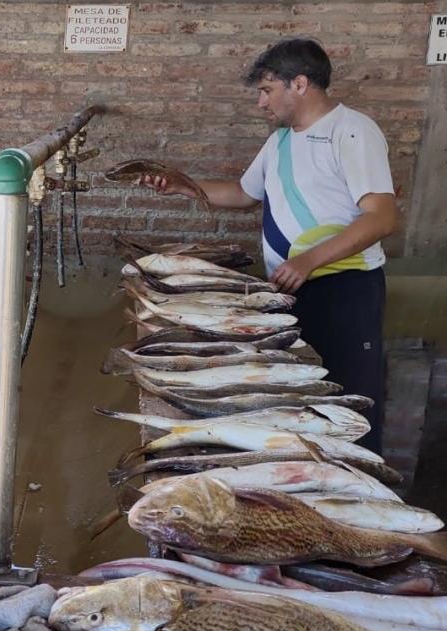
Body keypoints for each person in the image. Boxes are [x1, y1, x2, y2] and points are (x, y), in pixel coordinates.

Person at [141, 38, 398, 455]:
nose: (261, 103)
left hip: (346, 289)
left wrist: (310, 259)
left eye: (267, 90)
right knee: (301, 398)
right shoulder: (280, 141)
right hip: (291, 289)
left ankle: (363, 493)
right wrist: (181, 186)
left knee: (350, 401)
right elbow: (244, 194)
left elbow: (382, 216)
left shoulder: (352, 131)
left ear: (299, 83)